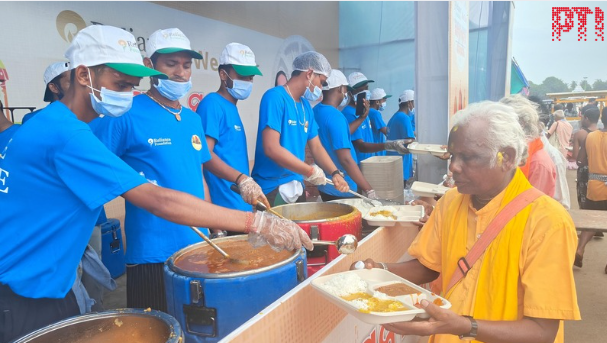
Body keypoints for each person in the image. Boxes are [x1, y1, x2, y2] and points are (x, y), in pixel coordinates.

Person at [0, 25, 313, 342]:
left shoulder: (50, 122)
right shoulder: (67, 134)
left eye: (130, 86)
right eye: (120, 85)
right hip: (22, 292)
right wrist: (255, 222)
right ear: (83, 75)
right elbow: (158, 199)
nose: (126, 96)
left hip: (44, 282)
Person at [356, 101, 580, 343]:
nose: (453, 167)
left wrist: (465, 326)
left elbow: (542, 332)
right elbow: (430, 266)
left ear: (507, 158)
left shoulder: (548, 222)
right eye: (452, 155)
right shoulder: (450, 202)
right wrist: (380, 270)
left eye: (469, 157)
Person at [251, 51, 349, 205]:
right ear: (309, 74)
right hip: (272, 187)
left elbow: (316, 146)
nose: (321, 88)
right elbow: (271, 148)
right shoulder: (275, 97)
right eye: (321, 82)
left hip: (297, 185)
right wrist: (309, 171)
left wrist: (334, 172)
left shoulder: (306, 107)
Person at [197, 42, 270, 216]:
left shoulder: (230, 107)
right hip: (224, 208)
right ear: (223, 74)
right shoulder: (212, 104)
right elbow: (205, 155)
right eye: (242, 76)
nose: (248, 82)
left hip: (240, 205)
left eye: (250, 77)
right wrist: (241, 179)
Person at [312, 69, 376, 201]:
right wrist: (369, 190)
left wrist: (360, 119)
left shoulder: (316, 111)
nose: (346, 93)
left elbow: (340, 135)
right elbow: (345, 160)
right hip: (342, 187)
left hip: (326, 185)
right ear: (341, 88)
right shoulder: (336, 117)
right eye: (346, 89)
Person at [341, 73, 409, 164]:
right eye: (360, 90)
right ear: (350, 93)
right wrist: (390, 145)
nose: (365, 92)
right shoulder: (349, 114)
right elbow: (361, 146)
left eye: (366, 88)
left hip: (370, 162)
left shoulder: (364, 112)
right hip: (360, 165)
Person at [500, 95, 556, 197]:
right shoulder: (510, 152)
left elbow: (533, 205)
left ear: (522, 123)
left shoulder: (539, 163)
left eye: (503, 121)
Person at [575, 106, 607, 273]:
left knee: (590, 222)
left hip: (595, 185)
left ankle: (580, 249)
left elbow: (580, 160)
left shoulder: (591, 136)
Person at [387, 90, 416, 186]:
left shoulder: (395, 116)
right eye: (414, 102)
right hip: (401, 164)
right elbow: (410, 140)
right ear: (409, 103)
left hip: (393, 163)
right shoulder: (404, 118)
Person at [368, 88, 390, 156]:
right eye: (383, 100)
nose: (385, 102)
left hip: (371, 148)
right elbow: (386, 131)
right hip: (377, 150)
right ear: (377, 102)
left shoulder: (368, 111)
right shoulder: (375, 113)